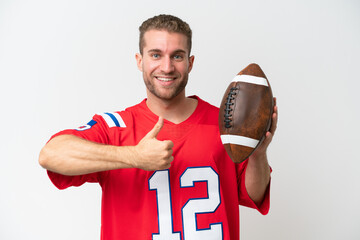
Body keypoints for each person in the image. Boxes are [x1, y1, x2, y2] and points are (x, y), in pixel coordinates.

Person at [39, 14, 278, 240]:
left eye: (177, 56)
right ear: (139, 61)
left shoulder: (225, 125)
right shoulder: (116, 127)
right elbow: (51, 154)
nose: (166, 67)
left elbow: (254, 195)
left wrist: (258, 152)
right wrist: (132, 155)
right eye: (155, 55)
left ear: (190, 62)